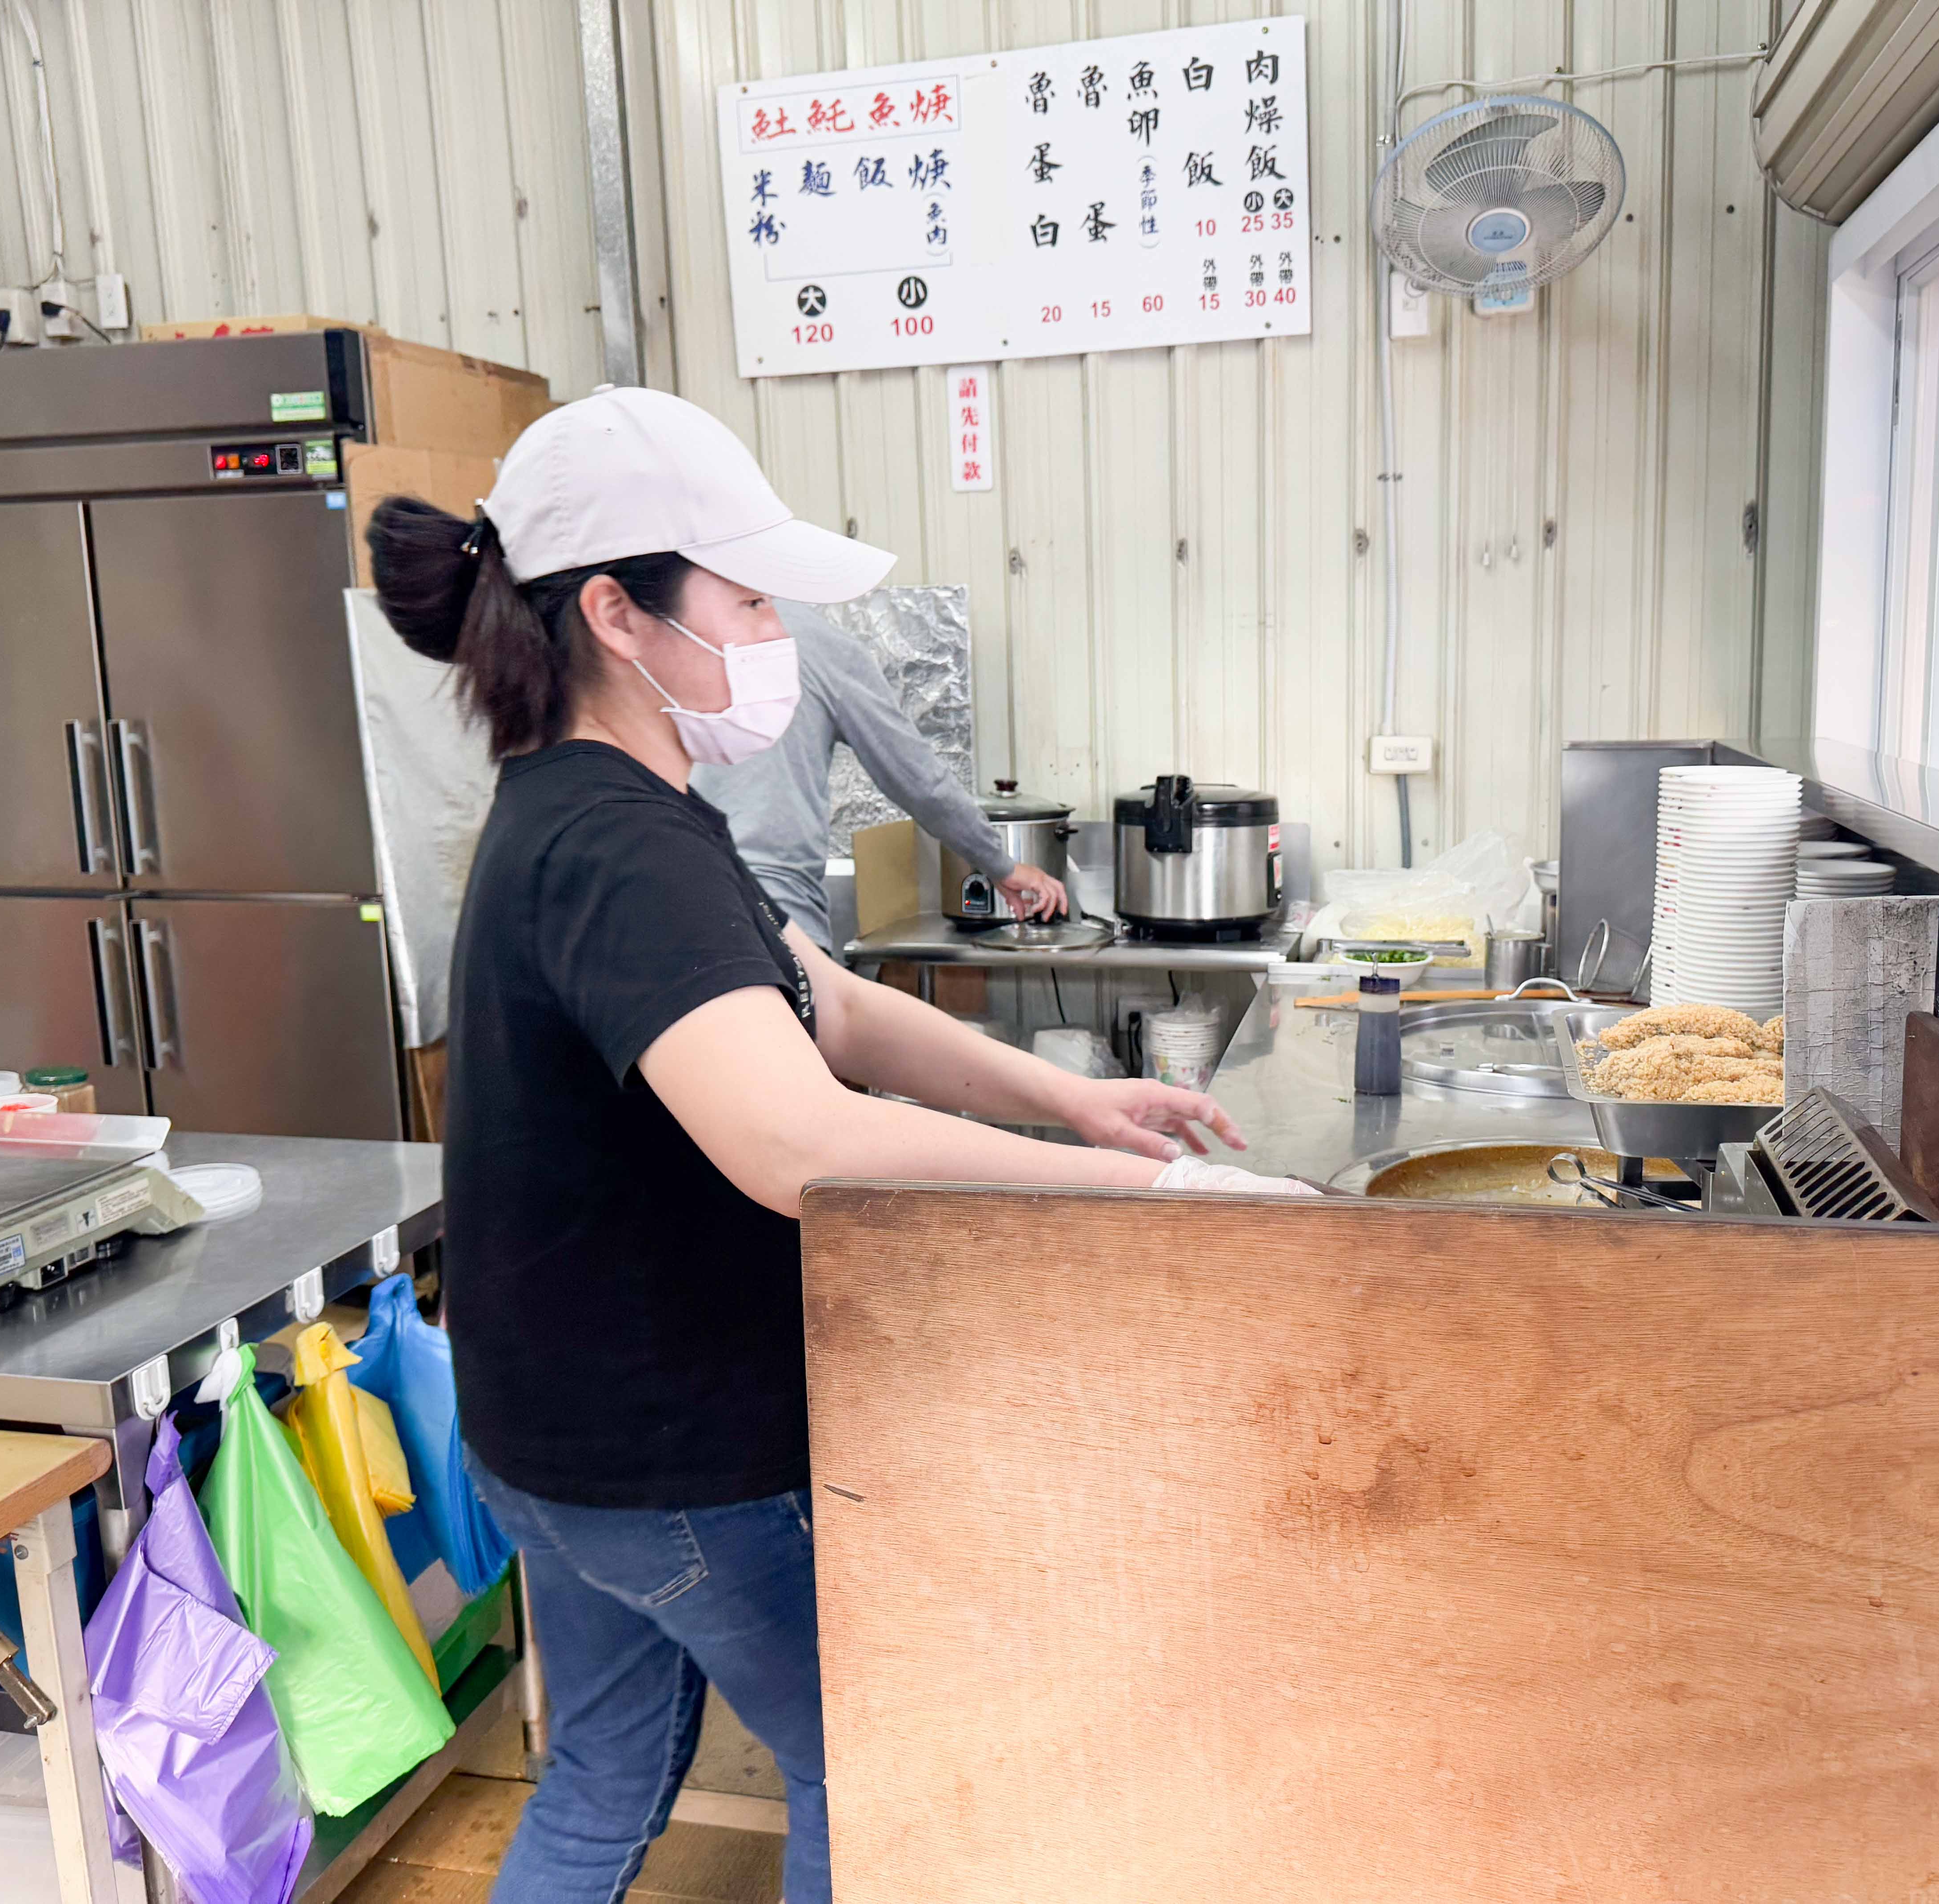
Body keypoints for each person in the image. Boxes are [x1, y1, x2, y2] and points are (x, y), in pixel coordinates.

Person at [365, 386, 1311, 1904]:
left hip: (560, 1439)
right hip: (667, 1456)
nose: (768, 634)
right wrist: (1163, 1189)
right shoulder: (613, 844)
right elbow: (798, 1138)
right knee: (871, 1771)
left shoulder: (606, 810)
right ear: (617, 612)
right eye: (743, 596)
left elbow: (838, 1008)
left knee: (604, 1775)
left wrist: (1065, 1100)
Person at [692, 600, 1067, 951]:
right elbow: (918, 779)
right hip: (774, 913)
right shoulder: (811, 640)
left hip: (668, 908)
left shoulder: (673, 633)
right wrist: (1001, 863)